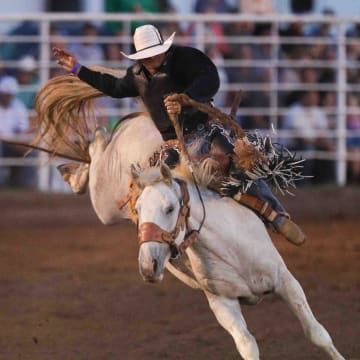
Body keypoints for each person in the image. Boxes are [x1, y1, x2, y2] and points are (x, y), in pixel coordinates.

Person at [52, 24, 305, 245]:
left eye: (154, 54)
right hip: (172, 145)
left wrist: (187, 99)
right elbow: (114, 87)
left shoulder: (186, 59)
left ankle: (277, 216)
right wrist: (77, 68)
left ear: (164, 48)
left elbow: (209, 78)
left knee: (238, 165)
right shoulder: (137, 76)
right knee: (157, 189)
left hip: (204, 131)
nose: (152, 59)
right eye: (146, 56)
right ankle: (165, 239)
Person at [0, 76, 37, 188]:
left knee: (31, 151)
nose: (7, 96)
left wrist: (21, 142)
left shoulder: (18, 106)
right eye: (5, 93)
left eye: (9, 93)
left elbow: (24, 130)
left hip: (14, 142)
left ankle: (28, 186)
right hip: (2, 143)